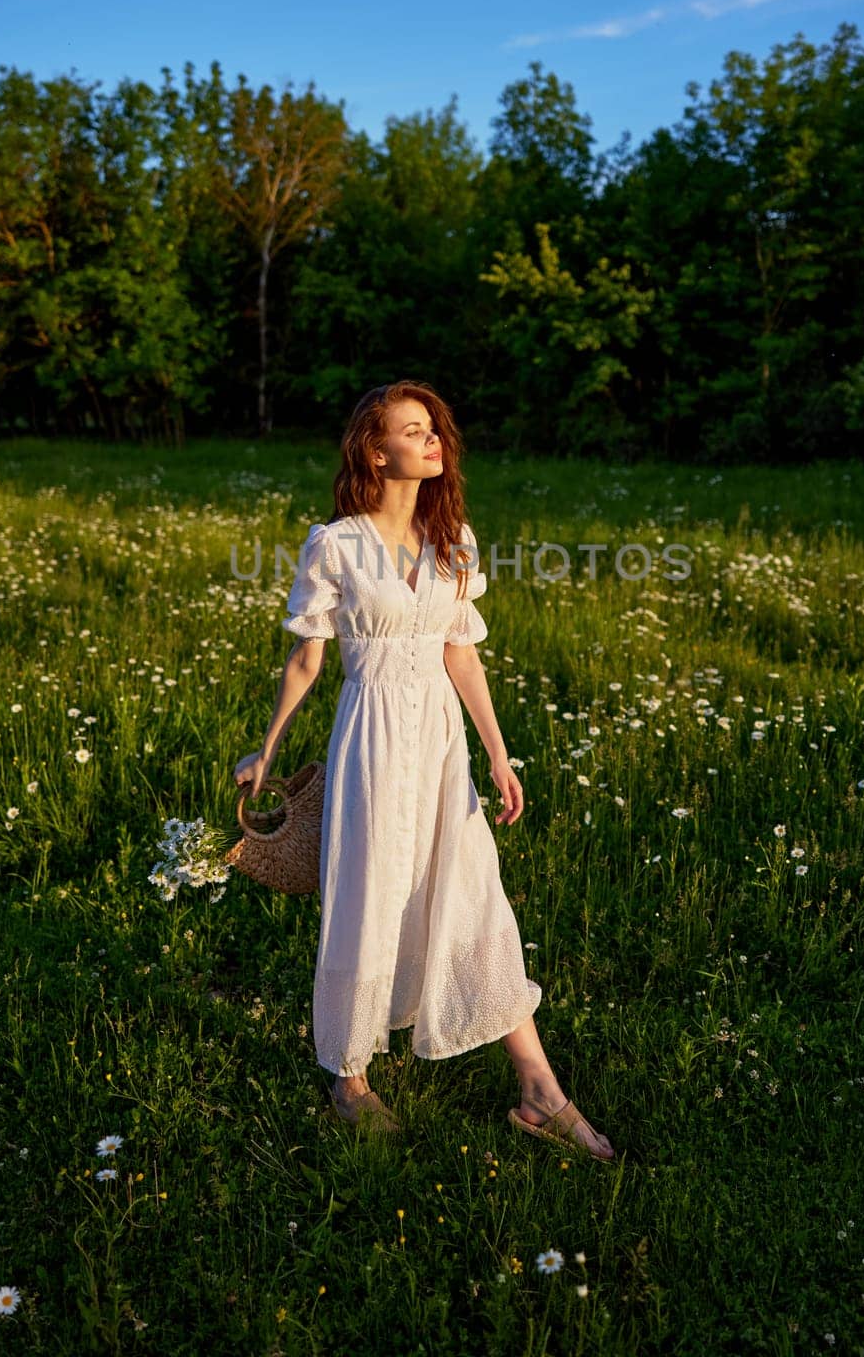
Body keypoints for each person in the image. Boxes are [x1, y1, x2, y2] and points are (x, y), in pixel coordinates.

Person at [233, 380, 614, 1160]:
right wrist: (266, 747)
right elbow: (308, 655)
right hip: (368, 738)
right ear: (377, 452)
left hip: (440, 741)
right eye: (414, 430)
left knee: (471, 893)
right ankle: (349, 1076)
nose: (434, 438)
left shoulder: (455, 539)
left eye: (435, 426)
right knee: (369, 895)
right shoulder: (335, 543)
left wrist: (498, 754)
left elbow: (461, 654)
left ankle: (539, 1092)